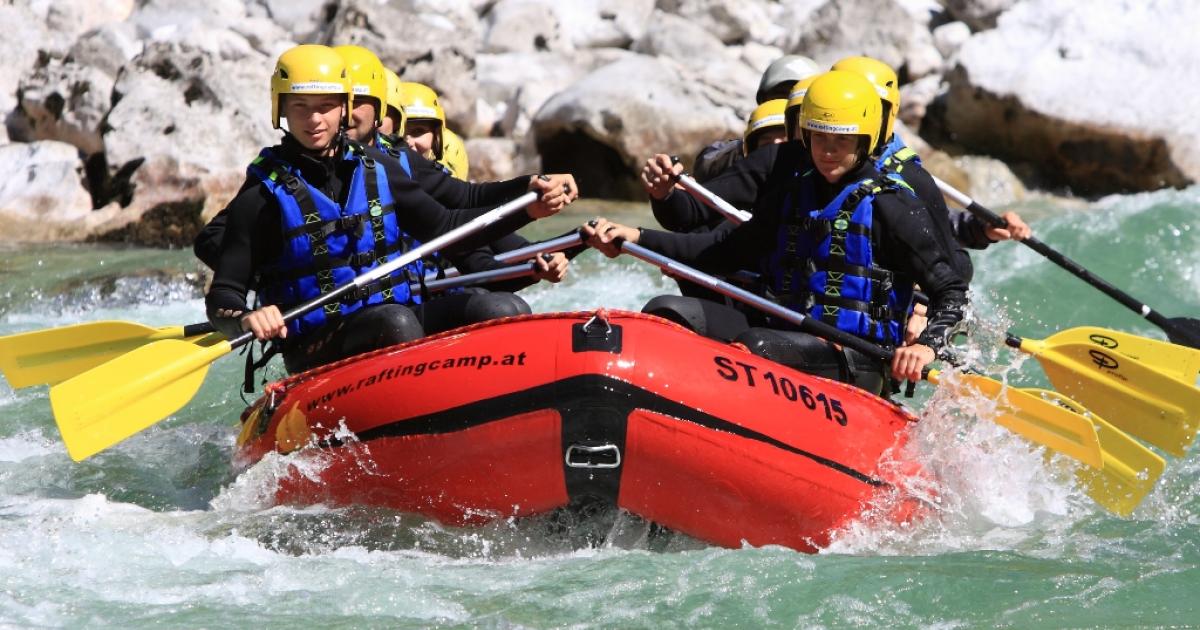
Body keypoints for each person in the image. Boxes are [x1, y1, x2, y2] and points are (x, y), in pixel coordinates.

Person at [586, 71, 969, 394]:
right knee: (667, 312)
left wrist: (928, 348)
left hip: (857, 358)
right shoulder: (792, 192)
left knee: (756, 346)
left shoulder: (893, 205)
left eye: (842, 140)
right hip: (782, 334)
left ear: (864, 139)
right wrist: (636, 238)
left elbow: (951, 290)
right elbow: (724, 249)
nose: (828, 151)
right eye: (819, 137)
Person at [205, 44, 569, 375]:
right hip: (318, 343)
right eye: (300, 107)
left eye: (325, 106)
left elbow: (448, 227)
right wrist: (247, 318)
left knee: (503, 309)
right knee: (395, 323)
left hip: (397, 318)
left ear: (343, 107)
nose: (314, 119)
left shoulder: (378, 168)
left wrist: (528, 207)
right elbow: (223, 297)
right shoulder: (261, 194)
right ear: (280, 108)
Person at [692, 55, 820, 182]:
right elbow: (705, 164)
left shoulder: (823, 147)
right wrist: (751, 147)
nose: (788, 106)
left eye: (798, 100)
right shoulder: (749, 144)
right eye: (781, 96)